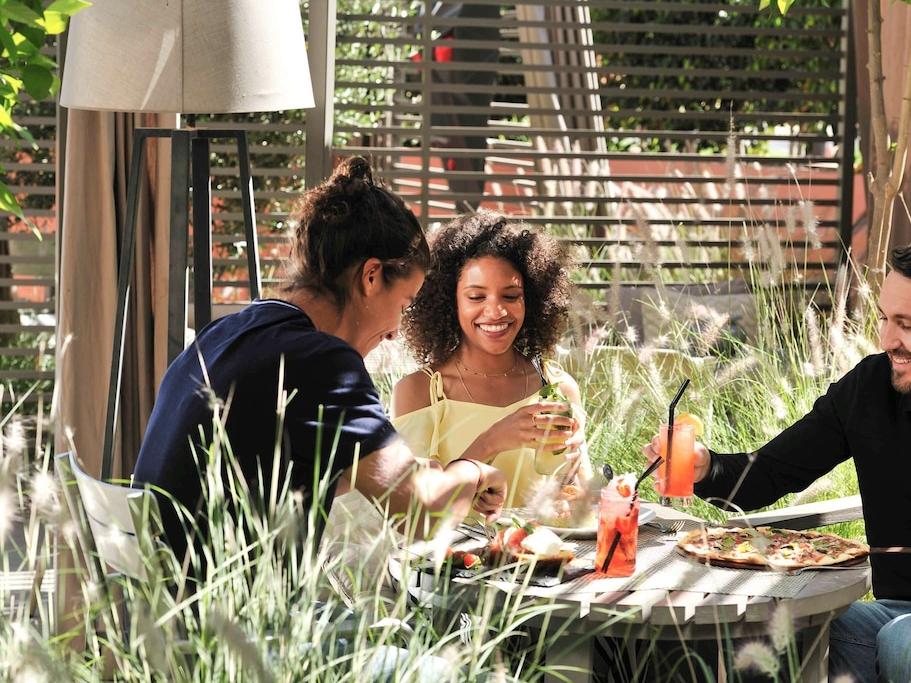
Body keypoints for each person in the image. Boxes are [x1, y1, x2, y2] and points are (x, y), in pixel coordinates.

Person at [643, 233, 911, 682]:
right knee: (759, 632)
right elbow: (769, 472)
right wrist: (705, 467)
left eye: (907, 325)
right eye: (884, 318)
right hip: (892, 617)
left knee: (910, 644)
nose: (887, 339)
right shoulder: (870, 388)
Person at [133, 157, 507, 572]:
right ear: (371, 276)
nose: (394, 333)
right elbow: (420, 515)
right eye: (403, 305)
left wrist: (408, 473)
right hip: (231, 604)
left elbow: (272, 470)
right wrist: (471, 471)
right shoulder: (321, 361)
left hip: (162, 596)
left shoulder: (229, 332)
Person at [391, 210, 592, 509]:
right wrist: (492, 441)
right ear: (449, 301)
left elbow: (584, 504)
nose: (496, 311)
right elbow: (410, 509)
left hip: (540, 541)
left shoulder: (556, 387)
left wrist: (571, 481)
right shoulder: (419, 393)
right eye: (476, 297)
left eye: (510, 296)